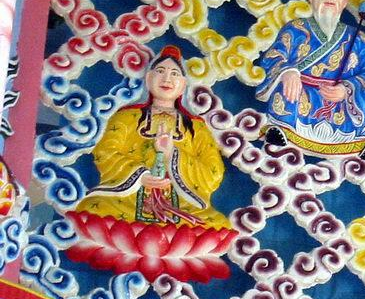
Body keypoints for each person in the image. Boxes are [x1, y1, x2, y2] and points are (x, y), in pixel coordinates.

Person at [66, 45, 237, 282]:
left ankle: (161, 240)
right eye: (160, 72)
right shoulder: (127, 117)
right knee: (92, 209)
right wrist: (139, 176)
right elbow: (106, 152)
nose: (167, 79)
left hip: (181, 207)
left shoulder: (195, 127)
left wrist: (172, 154)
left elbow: (214, 170)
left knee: (216, 223)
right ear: (148, 78)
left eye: (174, 74)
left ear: (183, 85)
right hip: (126, 201)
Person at [256, 0, 365, 161]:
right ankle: (283, 128)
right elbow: (274, 57)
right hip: (302, 95)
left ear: (345, 0)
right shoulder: (296, 28)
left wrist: (346, 89)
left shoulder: (357, 37)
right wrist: (288, 72)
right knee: (288, 84)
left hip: (341, 104)